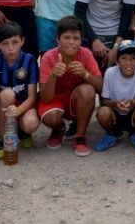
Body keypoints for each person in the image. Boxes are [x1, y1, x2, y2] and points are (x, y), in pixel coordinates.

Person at [37, 16, 102, 157]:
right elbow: (46, 97)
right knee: (51, 118)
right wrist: (53, 75)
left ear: (81, 40)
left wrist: (85, 74)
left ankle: (80, 136)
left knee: (88, 90)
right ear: (57, 40)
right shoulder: (48, 57)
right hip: (55, 99)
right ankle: (59, 128)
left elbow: (102, 88)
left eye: (76, 38)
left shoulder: (85, 54)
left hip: (75, 101)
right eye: (66, 37)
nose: (71, 42)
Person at [0, 22, 40, 160]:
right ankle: (2, 139)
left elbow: (32, 97)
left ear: (22, 41)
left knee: (30, 124)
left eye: (15, 42)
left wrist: (18, 111)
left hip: (24, 105)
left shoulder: (29, 60)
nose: (10, 48)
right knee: (7, 94)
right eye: (5, 43)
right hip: (4, 104)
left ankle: (22, 131)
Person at [94, 41, 135, 153]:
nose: (128, 63)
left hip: (133, 112)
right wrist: (115, 104)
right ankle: (112, 134)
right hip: (115, 111)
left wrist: (133, 102)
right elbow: (105, 101)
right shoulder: (110, 72)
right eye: (123, 58)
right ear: (117, 61)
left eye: (133, 58)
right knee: (103, 113)